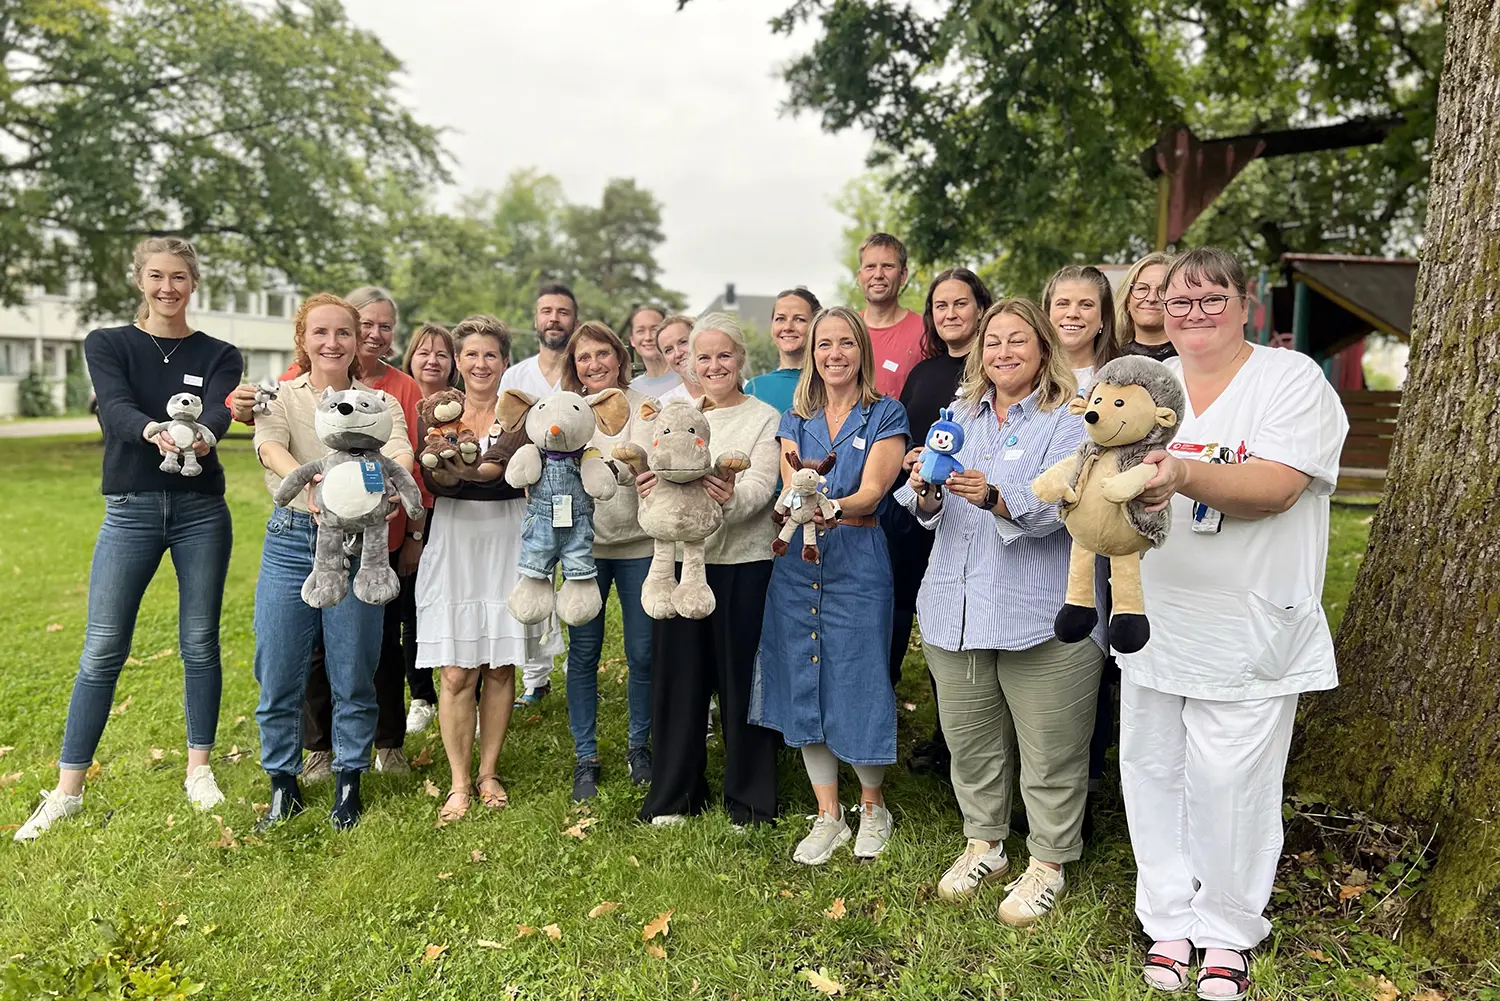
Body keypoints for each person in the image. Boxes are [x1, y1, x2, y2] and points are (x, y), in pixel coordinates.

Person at [1119, 247, 1347, 999]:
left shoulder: (1289, 379)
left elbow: (1276, 487)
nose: (1192, 313)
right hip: (1155, 614)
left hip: (1250, 621)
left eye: (1210, 298)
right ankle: (1168, 919)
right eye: (1176, 302)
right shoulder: (1151, 383)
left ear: (1244, 302)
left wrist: (1181, 471)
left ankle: (1225, 931)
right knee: (1153, 771)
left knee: (1231, 782)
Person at [16, 238, 242, 842]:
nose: (168, 288)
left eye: (179, 278)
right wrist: (153, 431)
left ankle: (199, 770)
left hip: (200, 510)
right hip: (131, 509)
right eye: (156, 277)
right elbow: (112, 407)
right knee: (102, 648)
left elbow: (219, 414)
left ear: (194, 283)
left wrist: (201, 438)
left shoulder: (221, 352)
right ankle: (68, 790)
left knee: (199, 640)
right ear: (140, 280)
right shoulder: (108, 342)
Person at [898, 297, 1102, 927]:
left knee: (1051, 751)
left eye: (1018, 340)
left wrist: (992, 494)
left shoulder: (1068, 423)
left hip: (1038, 613)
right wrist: (926, 491)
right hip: (953, 609)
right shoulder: (958, 413)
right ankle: (983, 844)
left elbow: (1059, 510)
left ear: (1043, 347)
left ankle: (1047, 863)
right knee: (970, 743)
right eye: (993, 342)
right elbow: (917, 504)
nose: (1003, 352)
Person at [229, 286, 426, 781]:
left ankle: (350, 777)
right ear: (303, 337)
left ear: (358, 340)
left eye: (344, 332)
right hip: (294, 538)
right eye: (321, 331)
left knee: (354, 671)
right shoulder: (280, 394)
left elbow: (401, 451)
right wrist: (313, 484)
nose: (333, 342)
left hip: (360, 541)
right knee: (277, 669)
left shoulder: (379, 401)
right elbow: (268, 447)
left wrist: (384, 487)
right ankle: (282, 780)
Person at [751, 306, 909, 864]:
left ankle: (872, 807)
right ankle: (828, 815)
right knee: (803, 676)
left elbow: (871, 493)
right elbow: (787, 483)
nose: (834, 354)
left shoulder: (885, 413)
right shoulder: (795, 418)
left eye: (846, 343)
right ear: (812, 354)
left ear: (861, 350)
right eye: (825, 345)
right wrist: (796, 501)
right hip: (796, 564)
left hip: (858, 558)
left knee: (859, 677)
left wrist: (827, 505)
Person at [638, 313, 782, 828]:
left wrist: (727, 498)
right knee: (678, 683)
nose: (715, 365)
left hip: (742, 565)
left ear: (741, 359)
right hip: (677, 566)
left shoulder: (764, 416)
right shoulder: (674, 414)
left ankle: (749, 799)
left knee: (743, 684)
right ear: (690, 363)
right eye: (704, 357)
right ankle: (675, 795)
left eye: (724, 355)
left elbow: (762, 488)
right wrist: (647, 489)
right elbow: (651, 471)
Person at [417, 315, 554, 820]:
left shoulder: (522, 414)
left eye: (490, 355)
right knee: (455, 672)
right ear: (458, 360)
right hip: (454, 538)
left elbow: (515, 476)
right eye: (470, 354)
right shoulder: (433, 412)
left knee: (499, 664)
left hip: (507, 536)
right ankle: (458, 782)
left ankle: (489, 771)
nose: (480, 364)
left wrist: (468, 475)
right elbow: (435, 483)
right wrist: (472, 476)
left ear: (504, 361)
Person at [888, 267, 993, 775]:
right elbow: (908, 435)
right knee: (929, 629)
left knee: (968, 628)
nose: (950, 314)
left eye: (961, 304)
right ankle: (942, 731)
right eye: (941, 306)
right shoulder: (924, 372)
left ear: (980, 308)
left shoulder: (994, 369)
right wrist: (912, 457)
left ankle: (966, 743)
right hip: (921, 514)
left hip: (974, 518)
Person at [560, 321, 655, 800]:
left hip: (641, 546)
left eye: (602, 354)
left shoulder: (646, 409)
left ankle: (640, 746)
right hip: (584, 550)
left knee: (643, 653)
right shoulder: (564, 412)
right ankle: (586, 757)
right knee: (583, 653)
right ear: (574, 366)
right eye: (584, 357)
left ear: (620, 358)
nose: (594, 364)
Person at [497, 283, 576, 708]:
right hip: (529, 494)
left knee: (578, 576)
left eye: (563, 312)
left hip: (578, 493)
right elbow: (506, 430)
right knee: (534, 575)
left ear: (573, 320)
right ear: (535, 319)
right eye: (547, 311)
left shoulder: (581, 373)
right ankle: (535, 676)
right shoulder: (516, 376)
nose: (554, 319)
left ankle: (576, 665)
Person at [399, 322, 458, 735]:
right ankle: (421, 695)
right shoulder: (396, 400)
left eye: (441, 353)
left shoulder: (458, 405)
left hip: (449, 514)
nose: (432, 360)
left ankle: (464, 692)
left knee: (451, 602)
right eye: (424, 352)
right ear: (411, 357)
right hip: (406, 515)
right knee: (410, 609)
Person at [857, 233, 926, 398]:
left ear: (903, 276)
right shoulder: (845, 329)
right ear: (860, 277)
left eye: (887, 266)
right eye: (870, 267)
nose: (878, 274)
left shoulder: (925, 331)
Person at [744, 288, 821, 415]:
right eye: (780, 319)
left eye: (799, 319)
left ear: (816, 325)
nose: (788, 327)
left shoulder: (829, 383)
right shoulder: (754, 388)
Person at [1043, 265, 1120, 388]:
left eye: (1086, 305)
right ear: (1047, 313)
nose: (1073, 313)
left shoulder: (1121, 378)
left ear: (1103, 318)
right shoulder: (1027, 376)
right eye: (1062, 304)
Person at [1118, 253, 1177, 362]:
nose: (1151, 298)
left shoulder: (1191, 359)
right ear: (1127, 301)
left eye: (1163, 290)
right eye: (1142, 289)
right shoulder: (1109, 360)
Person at [624, 304, 679, 397]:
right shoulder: (631, 390)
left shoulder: (688, 378)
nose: (648, 337)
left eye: (654, 329)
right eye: (640, 331)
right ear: (632, 340)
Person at [654, 313, 704, 404]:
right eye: (668, 350)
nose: (678, 353)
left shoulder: (731, 387)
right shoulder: (664, 405)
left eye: (683, 342)